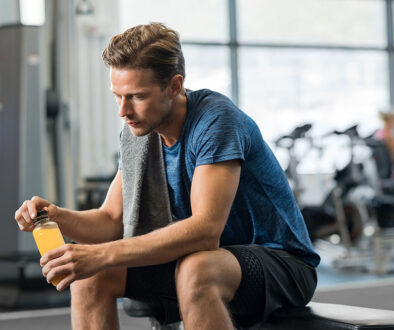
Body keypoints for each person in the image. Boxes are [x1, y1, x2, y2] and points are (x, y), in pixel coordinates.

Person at [14, 23, 320, 330]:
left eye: (137, 96)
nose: (123, 110)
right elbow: (110, 220)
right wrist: (55, 216)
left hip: (283, 264)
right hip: (208, 260)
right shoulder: (138, 133)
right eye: (118, 96)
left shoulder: (216, 121)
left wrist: (103, 254)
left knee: (197, 268)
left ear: (174, 85)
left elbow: (205, 231)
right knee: (91, 276)